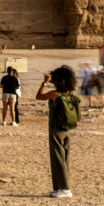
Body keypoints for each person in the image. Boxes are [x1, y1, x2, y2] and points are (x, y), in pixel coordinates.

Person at [36, 66, 80, 199]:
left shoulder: (54, 94)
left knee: (57, 158)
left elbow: (39, 96)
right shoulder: (69, 93)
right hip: (66, 129)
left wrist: (45, 82)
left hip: (56, 130)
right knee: (64, 158)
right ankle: (60, 187)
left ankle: (65, 188)